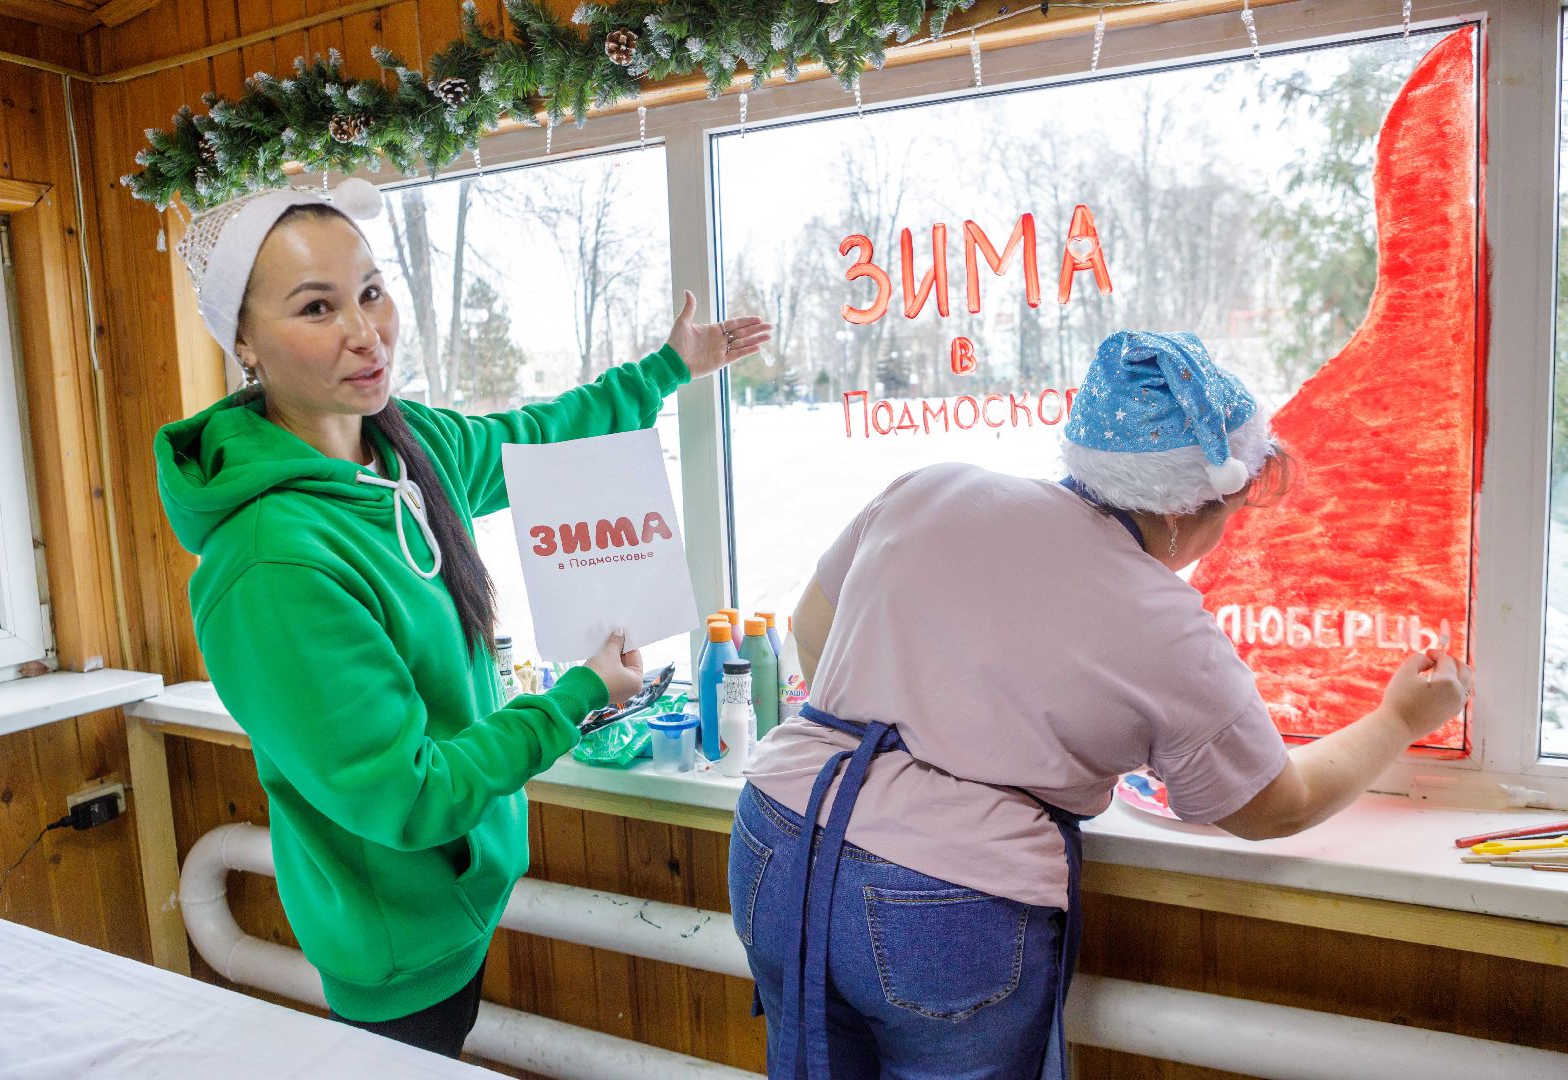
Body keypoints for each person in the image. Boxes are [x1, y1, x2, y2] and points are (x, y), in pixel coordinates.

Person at [733, 330, 1473, 1080]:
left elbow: (812, 628)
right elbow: (1273, 807)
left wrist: (914, 727)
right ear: (1184, 510)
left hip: (778, 836)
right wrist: (1400, 719)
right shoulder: (1164, 623)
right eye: (1227, 514)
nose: (1221, 535)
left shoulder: (932, 487)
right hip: (940, 908)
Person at [154, 178, 769, 1057]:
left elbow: (538, 436)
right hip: (394, 947)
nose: (365, 331)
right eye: (317, 307)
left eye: (371, 291)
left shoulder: (406, 447)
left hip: (459, 905)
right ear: (244, 341)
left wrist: (667, 367)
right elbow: (409, 795)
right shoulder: (273, 565)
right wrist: (576, 698)